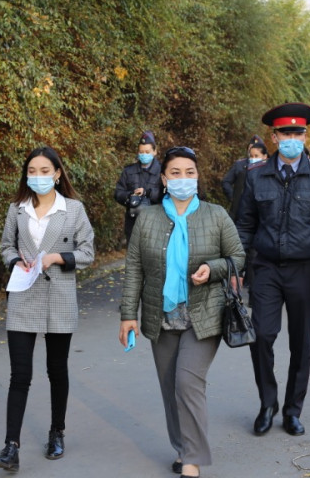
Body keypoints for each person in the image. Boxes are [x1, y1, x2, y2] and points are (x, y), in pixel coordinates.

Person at [119, 146, 245, 478]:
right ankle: (181, 448)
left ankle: (192, 459)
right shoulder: (147, 218)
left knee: (187, 382)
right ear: (164, 178)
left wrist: (212, 268)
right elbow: (134, 270)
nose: (183, 178)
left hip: (204, 314)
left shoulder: (216, 214)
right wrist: (128, 315)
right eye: (175, 173)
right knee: (169, 387)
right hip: (160, 315)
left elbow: (237, 256)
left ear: (197, 176)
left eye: (190, 172)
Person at [235, 103, 310, 438]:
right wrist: (236, 267)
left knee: (302, 342)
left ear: (305, 136)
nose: (292, 138)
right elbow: (244, 226)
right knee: (261, 336)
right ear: (274, 137)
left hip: (304, 270)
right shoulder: (256, 175)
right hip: (265, 268)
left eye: (298, 133)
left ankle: (292, 411)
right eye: (286, 133)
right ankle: (267, 404)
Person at [0, 146, 95, 472]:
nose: (38, 176)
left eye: (45, 171)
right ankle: (11, 446)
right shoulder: (17, 209)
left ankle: (57, 432)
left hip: (59, 297)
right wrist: (14, 260)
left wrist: (57, 257)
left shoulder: (73, 209)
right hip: (23, 295)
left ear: (58, 174)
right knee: (19, 374)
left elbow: (88, 253)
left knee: (56, 370)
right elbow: (6, 245)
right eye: (32, 171)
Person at [114, 130, 163, 245]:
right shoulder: (129, 171)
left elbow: (167, 194)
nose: (144, 155)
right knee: (133, 254)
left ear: (155, 151)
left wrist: (147, 193)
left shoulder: (163, 172)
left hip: (157, 224)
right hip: (133, 223)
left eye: (147, 152)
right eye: (141, 152)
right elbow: (118, 192)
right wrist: (130, 196)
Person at [222, 135, 268, 220]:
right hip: (237, 212)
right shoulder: (239, 165)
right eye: (250, 148)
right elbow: (226, 182)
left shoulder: (269, 168)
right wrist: (233, 197)